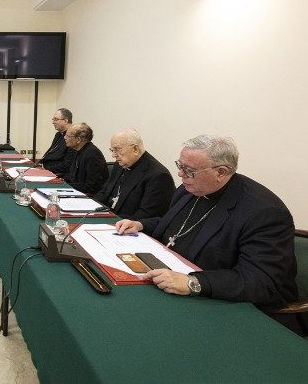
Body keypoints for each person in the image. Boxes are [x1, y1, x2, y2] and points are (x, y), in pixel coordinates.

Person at [115, 135, 299, 332]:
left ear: (221, 172)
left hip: (231, 309)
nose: (179, 174)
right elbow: (173, 226)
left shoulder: (265, 212)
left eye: (189, 170)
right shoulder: (190, 189)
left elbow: (259, 281)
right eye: (180, 165)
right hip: (172, 283)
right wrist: (141, 225)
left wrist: (193, 282)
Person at [93, 129, 174, 219]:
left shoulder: (158, 176)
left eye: (117, 150)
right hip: (105, 216)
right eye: (112, 150)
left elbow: (147, 216)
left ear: (135, 149)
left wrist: (110, 220)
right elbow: (104, 191)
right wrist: (90, 207)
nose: (114, 155)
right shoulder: (119, 165)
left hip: (124, 226)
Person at [63, 123, 108, 195]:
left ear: (78, 139)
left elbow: (93, 186)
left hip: (89, 196)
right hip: (76, 191)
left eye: (68, 135)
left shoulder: (92, 154)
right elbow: (72, 175)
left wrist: (66, 186)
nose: (65, 137)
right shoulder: (77, 150)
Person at [38, 108, 74, 176]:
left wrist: (45, 168)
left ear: (66, 121)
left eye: (56, 119)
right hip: (45, 169)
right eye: (53, 119)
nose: (53, 122)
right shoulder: (58, 134)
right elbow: (50, 152)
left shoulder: (73, 138)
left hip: (57, 174)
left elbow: (66, 165)